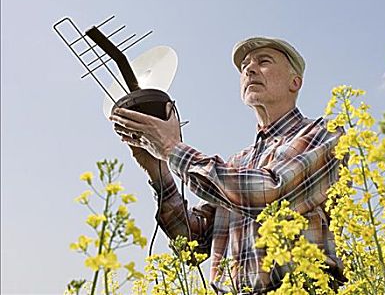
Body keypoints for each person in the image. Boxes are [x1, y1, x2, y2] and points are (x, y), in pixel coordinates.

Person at [110, 37, 344, 294]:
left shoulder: (324, 135)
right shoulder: (238, 163)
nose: (250, 69)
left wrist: (171, 148)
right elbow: (192, 246)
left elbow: (271, 193)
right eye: (245, 66)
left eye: (264, 61)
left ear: (295, 82)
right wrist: (160, 172)